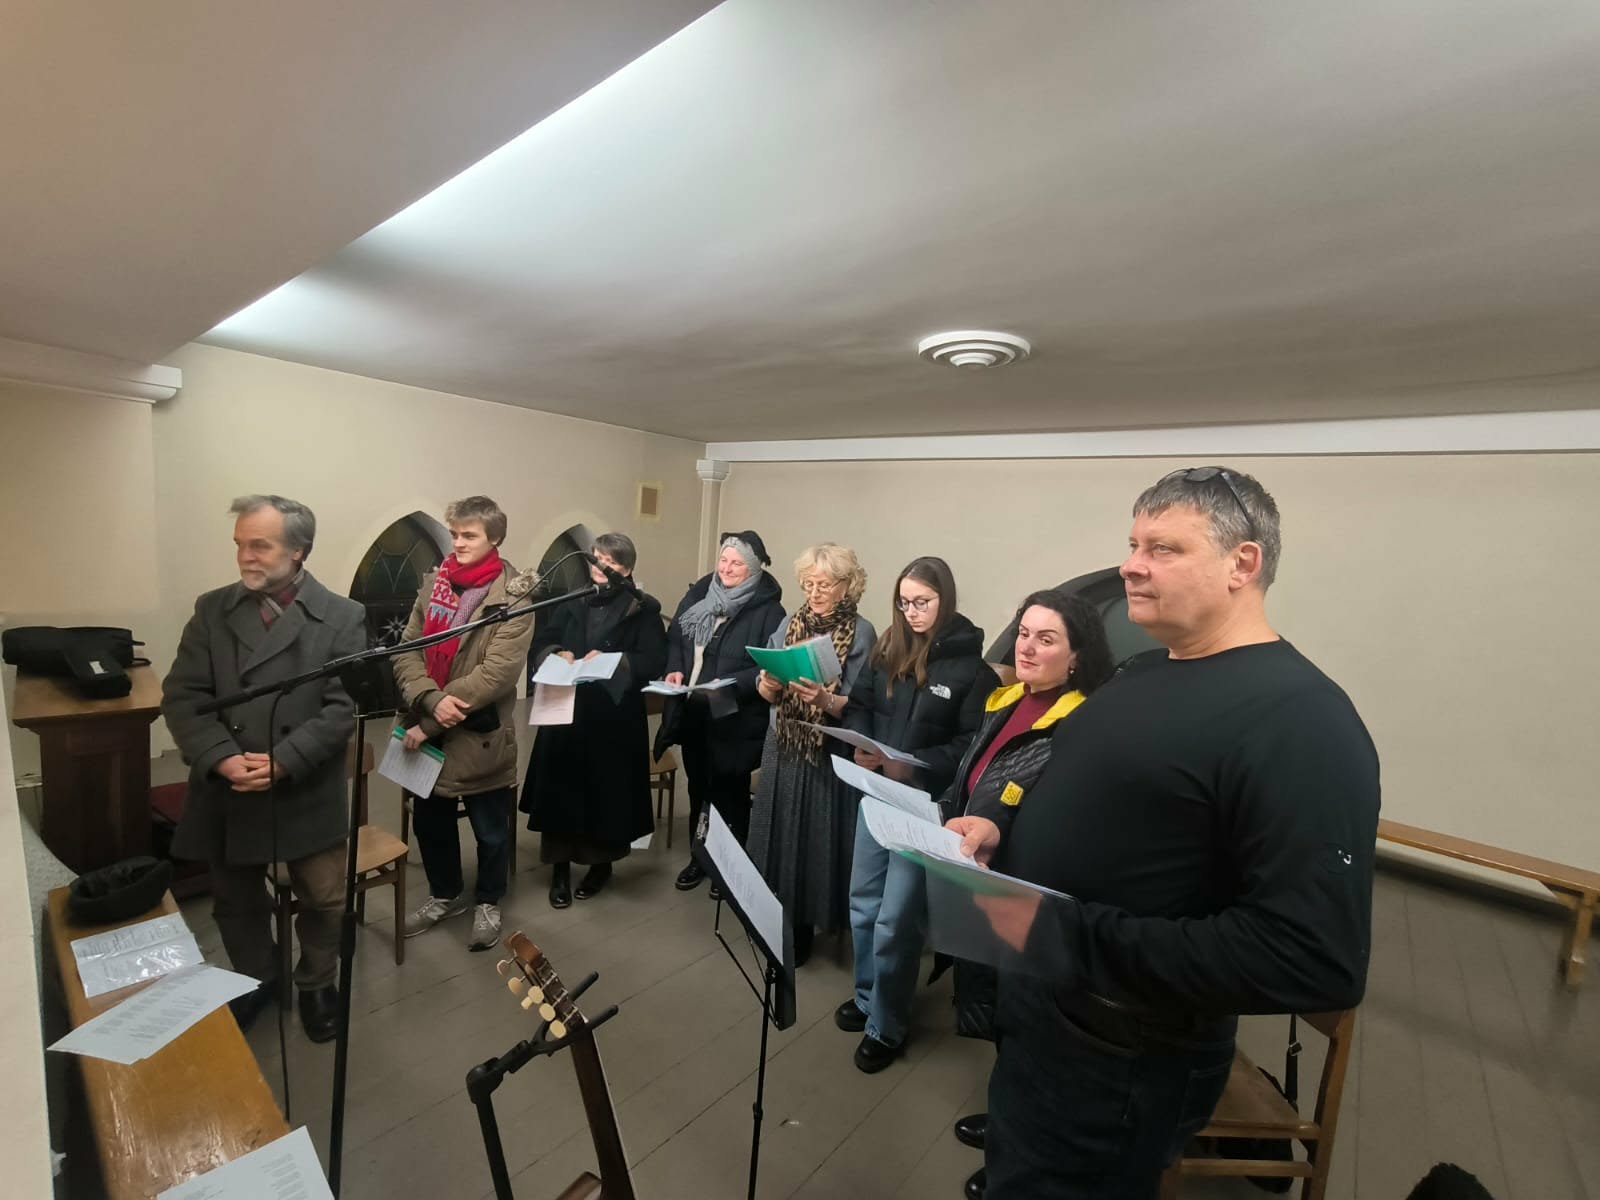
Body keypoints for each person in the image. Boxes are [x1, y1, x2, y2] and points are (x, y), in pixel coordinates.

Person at [948, 467, 1381, 1200]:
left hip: (1120, 1045)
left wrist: (1072, 934)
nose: (1130, 565)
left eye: (1163, 548)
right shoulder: (1143, 671)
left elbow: (1311, 957)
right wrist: (1002, 826)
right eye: (1132, 545)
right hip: (1045, 1004)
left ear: (1243, 562)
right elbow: (1079, 782)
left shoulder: (1301, 719)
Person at [162, 494, 367, 1042]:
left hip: (305, 783)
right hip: (230, 784)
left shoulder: (342, 616)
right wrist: (221, 757)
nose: (244, 557)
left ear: (298, 550)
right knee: (236, 901)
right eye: (240, 545)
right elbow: (184, 696)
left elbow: (342, 707)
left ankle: (317, 982)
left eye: (260, 545)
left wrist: (285, 760)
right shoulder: (212, 609)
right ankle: (258, 977)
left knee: (326, 898)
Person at [937, 588, 1117, 1198]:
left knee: (1033, 1027)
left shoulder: (1080, 722)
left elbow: (1055, 816)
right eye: (1023, 633)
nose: (1028, 647)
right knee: (1004, 1015)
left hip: (1027, 887)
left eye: (1047, 638)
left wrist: (997, 828)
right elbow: (975, 778)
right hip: (985, 875)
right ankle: (1009, 1123)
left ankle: (1022, 1154)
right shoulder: (1009, 699)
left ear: (1077, 655)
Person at [835, 556, 996, 1072]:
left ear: (944, 599)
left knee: (896, 919)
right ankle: (867, 997)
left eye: (922, 602)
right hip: (877, 791)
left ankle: (887, 1025)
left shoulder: (972, 669)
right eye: (904, 603)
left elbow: (971, 746)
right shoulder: (889, 647)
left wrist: (914, 764)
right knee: (863, 904)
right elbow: (860, 704)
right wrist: (864, 745)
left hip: (925, 805)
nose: (912, 612)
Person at [394, 496, 534, 953]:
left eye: (469, 535)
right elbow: (407, 648)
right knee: (430, 826)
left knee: (491, 832)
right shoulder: (435, 584)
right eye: (455, 534)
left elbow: (495, 675)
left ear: (495, 538)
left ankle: (488, 902)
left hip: (479, 736)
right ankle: (445, 894)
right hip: (425, 720)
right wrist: (429, 700)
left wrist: (431, 722)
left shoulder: (513, 597)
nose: (458, 542)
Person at [520, 533, 668, 908]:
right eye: (597, 558)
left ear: (627, 570)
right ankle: (559, 871)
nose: (601, 567)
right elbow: (542, 641)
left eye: (611, 562)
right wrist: (557, 653)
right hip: (565, 710)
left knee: (606, 795)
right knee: (560, 792)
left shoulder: (642, 609)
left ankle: (601, 867)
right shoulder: (572, 599)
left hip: (612, 717)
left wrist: (615, 662)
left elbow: (654, 660)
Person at [746, 543, 877, 966]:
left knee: (817, 839)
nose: (814, 593)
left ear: (847, 586)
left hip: (828, 746)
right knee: (779, 833)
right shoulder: (791, 621)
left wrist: (824, 699)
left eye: (824, 585)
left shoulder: (862, 632)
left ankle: (811, 923)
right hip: (785, 742)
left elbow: (862, 704)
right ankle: (782, 922)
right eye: (807, 584)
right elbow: (765, 687)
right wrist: (766, 685)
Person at [655, 531, 786, 890]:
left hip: (735, 718)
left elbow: (767, 665)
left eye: (737, 563)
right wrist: (675, 668)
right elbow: (677, 638)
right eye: (723, 560)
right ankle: (699, 857)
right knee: (698, 788)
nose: (726, 568)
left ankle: (728, 868)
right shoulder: (700, 594)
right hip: (694, 710)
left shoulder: (770, 611)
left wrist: (728, 684)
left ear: (753, 568)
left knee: (730, 793)